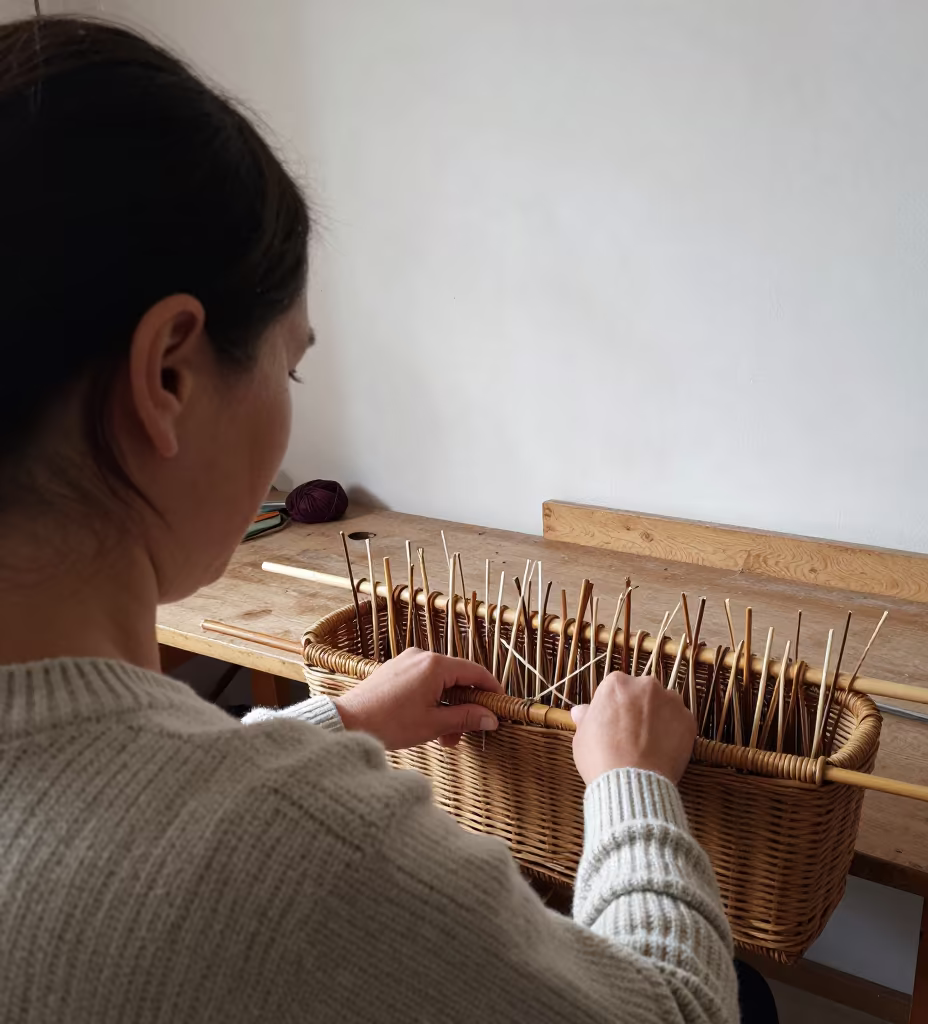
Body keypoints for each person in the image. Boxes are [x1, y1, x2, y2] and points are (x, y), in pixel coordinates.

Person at [0, 16, 742, 1023]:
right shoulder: (297, 850)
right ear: (168, 372)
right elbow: (679, 1011)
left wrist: (331, 723)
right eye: (290, 362)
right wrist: (631, 784)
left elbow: (114, 813)